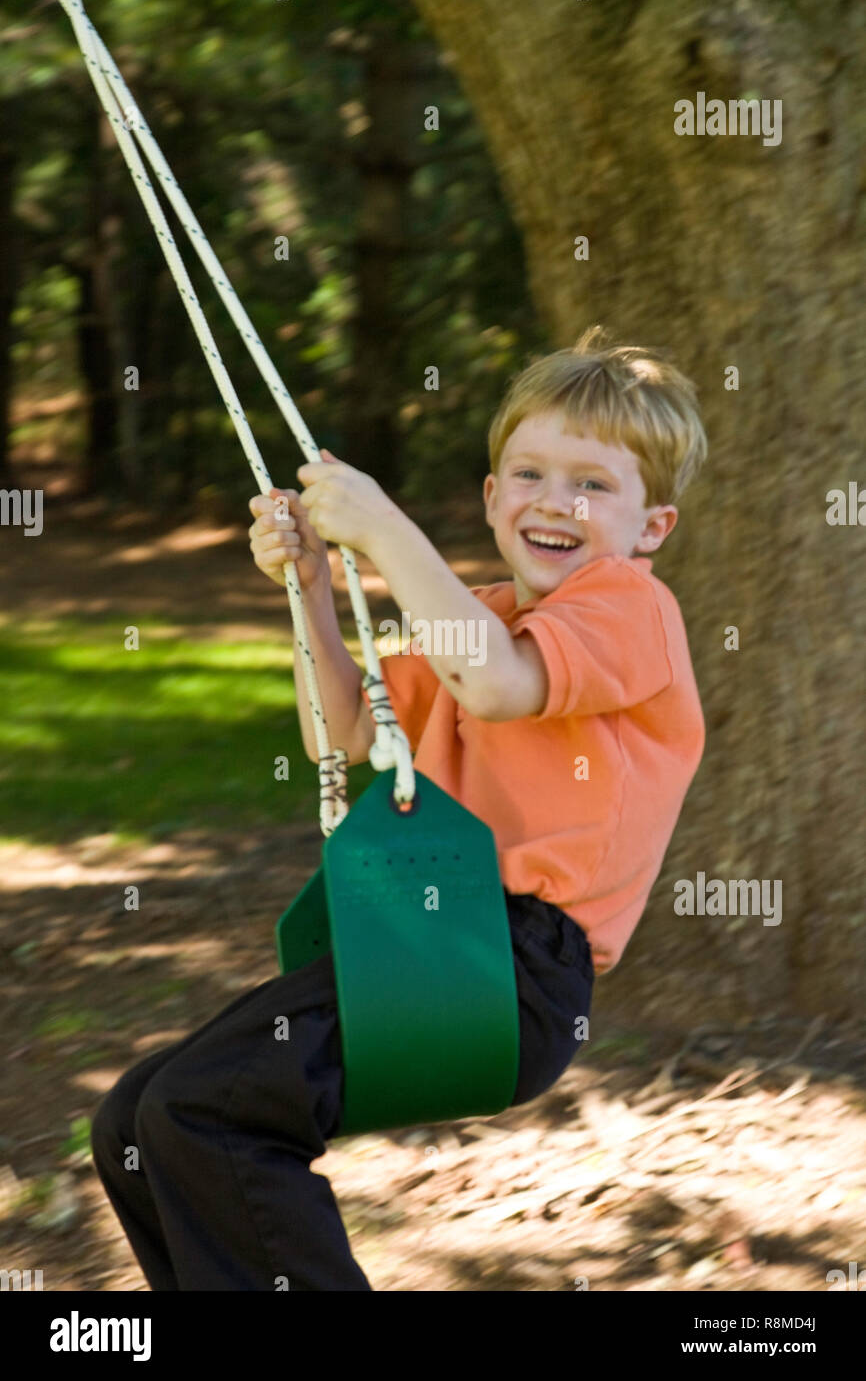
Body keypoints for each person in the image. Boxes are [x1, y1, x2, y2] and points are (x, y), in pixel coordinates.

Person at [90, 326, 707, 1290]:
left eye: (593, 484)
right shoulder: (484, 612)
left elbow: (498, 684)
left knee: (203, 1110)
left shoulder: (629, 607)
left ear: (652, 527)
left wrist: (382, 530)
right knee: (137, 1115)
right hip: (428, 943)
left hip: (510, 968)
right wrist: (310, 595)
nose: (556, 499)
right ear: (495, 498)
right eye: (531, 472)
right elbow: (338, 733)